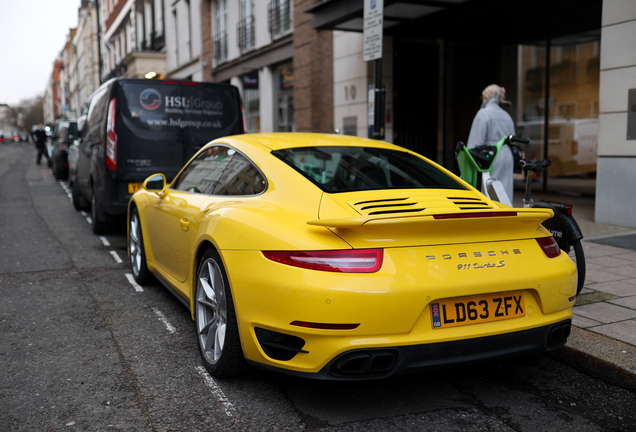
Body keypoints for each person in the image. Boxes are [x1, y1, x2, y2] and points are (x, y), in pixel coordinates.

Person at [467, 84, 516, 201]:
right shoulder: (506, 115)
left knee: (489, 190)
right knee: (505, 191)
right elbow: (513, 139)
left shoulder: (483, 114)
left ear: (486, 97)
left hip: (490, 156)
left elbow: (475, 143)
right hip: (507, 155)